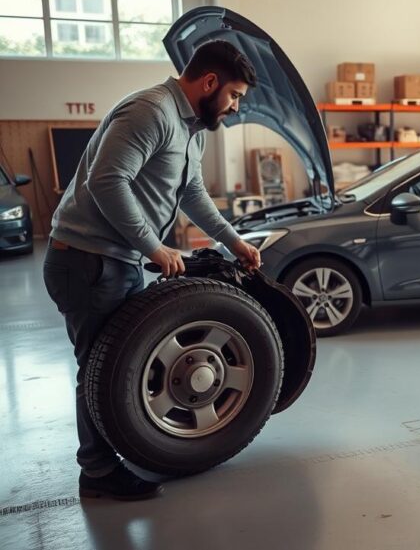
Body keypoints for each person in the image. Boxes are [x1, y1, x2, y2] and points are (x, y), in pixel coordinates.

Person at [43, 40, 262, 500]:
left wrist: (234, 239)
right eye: (235, 95)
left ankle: (115, 455)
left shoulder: (192, 127)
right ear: (210, 82)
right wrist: (154, 246)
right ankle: (98, 472)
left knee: (115, 363)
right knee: (100, 369)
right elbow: (107, 180)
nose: (235, 106)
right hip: (85, 260)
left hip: (113, 259)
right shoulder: (152, 111)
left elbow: (192, 194)